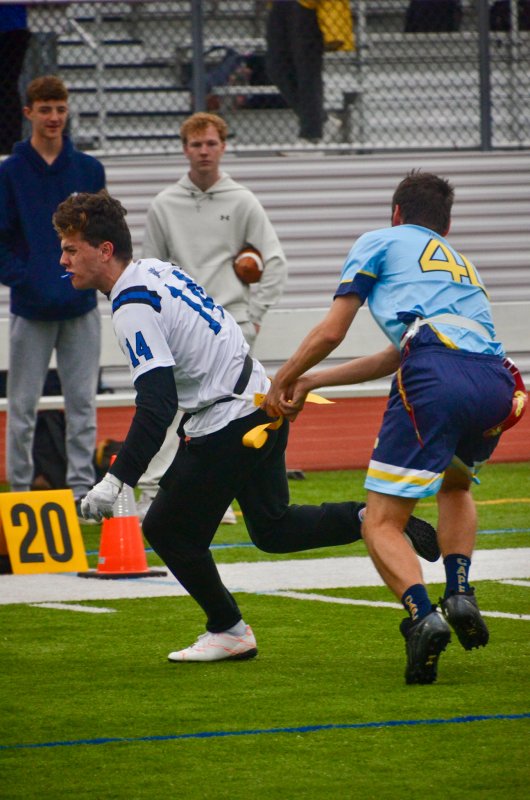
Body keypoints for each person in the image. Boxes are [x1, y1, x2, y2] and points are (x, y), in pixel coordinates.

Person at [53, 188, 439, 664]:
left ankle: (228, 628)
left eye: (71, 248)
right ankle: (370, 519)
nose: (63, 259)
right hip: (260, 400)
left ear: (104, 250)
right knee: (272, 529)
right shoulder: (154, 270)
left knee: (168, 530)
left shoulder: (132, 304)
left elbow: (157, 404)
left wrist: (117, 479)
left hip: (230, 418)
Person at [264, 170, 524, 685]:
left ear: (397, 214)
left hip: (434, 372)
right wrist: (318, 379)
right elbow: (399, 351)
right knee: (455, 483)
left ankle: (422, 615)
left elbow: (334, 328)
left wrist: (285, 378)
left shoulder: (379, 240)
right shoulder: (461, 265)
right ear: (443, 227)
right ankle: (459, 590)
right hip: (498, 381)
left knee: (379, 520)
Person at [138, 111, 288, 523]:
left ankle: (215, 498)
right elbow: (149, 268)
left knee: (228, 411)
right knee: (168, 406)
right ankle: (152, 491)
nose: (204, 151)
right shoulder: (164, 204)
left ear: (223, 146)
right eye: (196, 144)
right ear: (184, 148)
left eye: (211, 143)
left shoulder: (242, 200)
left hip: (231, 326)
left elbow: (274, 261)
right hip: (180, 327)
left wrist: (252, 316)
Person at [0, 75, 105, 518]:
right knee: (22, 408)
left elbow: (104, 234)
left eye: (60, 108)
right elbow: (1, 239)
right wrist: (28, 279)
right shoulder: (9, 171)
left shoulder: (88, 170)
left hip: (81, 309)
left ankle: (82, 495)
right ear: (28, 114)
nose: (53, 118)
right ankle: (20, 496)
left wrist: (95, 279)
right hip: (30, 310)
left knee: (82, 406)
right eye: (44, 109)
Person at [265, 1, 325, 144]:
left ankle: (312, 135)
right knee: (276, 67)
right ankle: (320, 120)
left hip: (306, 4)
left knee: (307, 68)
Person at [0, 4, 31, 154]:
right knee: (7, 87)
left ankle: (8, 145)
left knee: (7, 86)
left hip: (11, 26)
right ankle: (8, 144)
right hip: (13, 26)